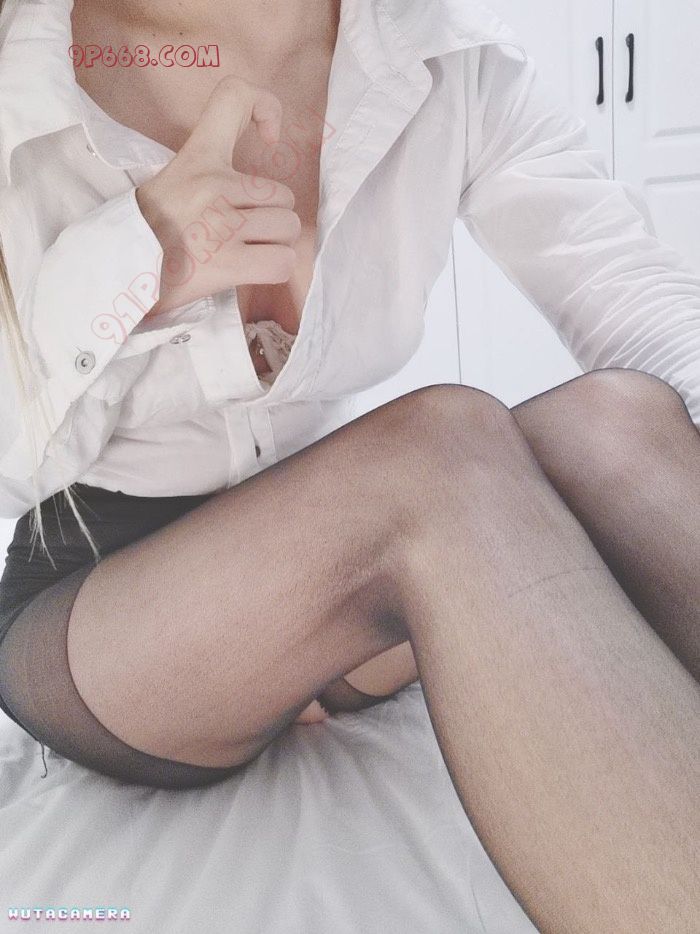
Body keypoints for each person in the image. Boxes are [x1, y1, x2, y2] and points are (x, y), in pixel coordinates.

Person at [0, 0, 698, 930]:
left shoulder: (437, 49)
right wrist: (138, 261)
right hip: (104, 609)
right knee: (441, 449)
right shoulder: (30, 76)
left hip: (339, 574)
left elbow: (627, 291)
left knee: (617, 419)